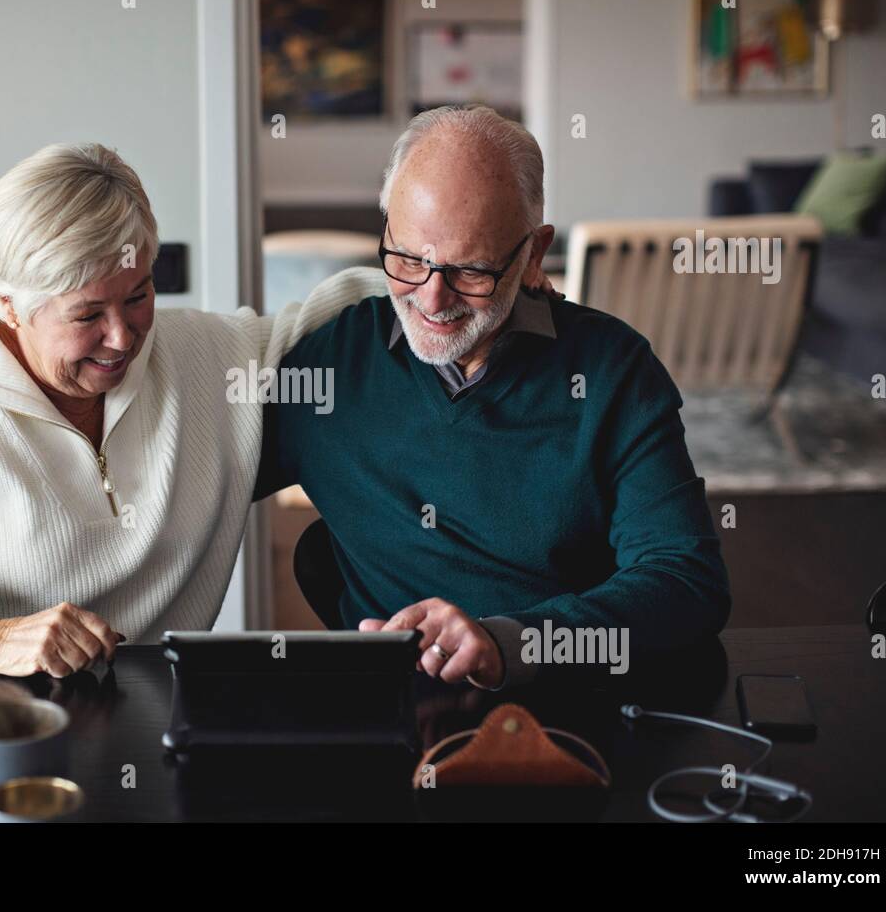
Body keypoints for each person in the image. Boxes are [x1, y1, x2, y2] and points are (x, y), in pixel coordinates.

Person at [0, 142, 392, 676]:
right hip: (2, 730)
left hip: (155, 722)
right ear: (10, 305)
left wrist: (445, 273)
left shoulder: (204, 356)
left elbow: (334, 317)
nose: (124, 337)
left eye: (139, 296)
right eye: (88, 315)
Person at [255, 105, 731, 690]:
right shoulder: (329, 367)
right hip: (389, 716)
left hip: (566, 712)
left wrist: (511, 641)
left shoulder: (612, 370)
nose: (431, 301)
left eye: (472, 271)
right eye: (407, 260)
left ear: (533, 256)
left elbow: (687, 582)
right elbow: (182, 480)